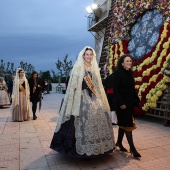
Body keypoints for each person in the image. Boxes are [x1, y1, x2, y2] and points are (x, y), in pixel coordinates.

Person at [50, 46, 115, 157]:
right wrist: (76, 86)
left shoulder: (95, 68)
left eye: (91, 54)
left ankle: (96, 146)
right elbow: (73, 83)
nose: (89, 56)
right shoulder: (79, 67)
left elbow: (97, 85)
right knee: (80, 119)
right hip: (81, 96)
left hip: (93, 96)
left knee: (98, 117)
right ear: (83, 56)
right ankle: (80, 148)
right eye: (87, 54)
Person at [112, 54, 141, 157]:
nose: (129, 62)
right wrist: (121, 103)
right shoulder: (118, 74)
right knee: (128, 124)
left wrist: (136, 100)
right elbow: (115, 91)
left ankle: (119, 142)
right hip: (122, 105)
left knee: (123, 124)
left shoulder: (130, 73)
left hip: (129, 103)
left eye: (130, 61)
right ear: (122, 63)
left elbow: (132, 89)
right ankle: (132, 148)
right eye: (127, 61)